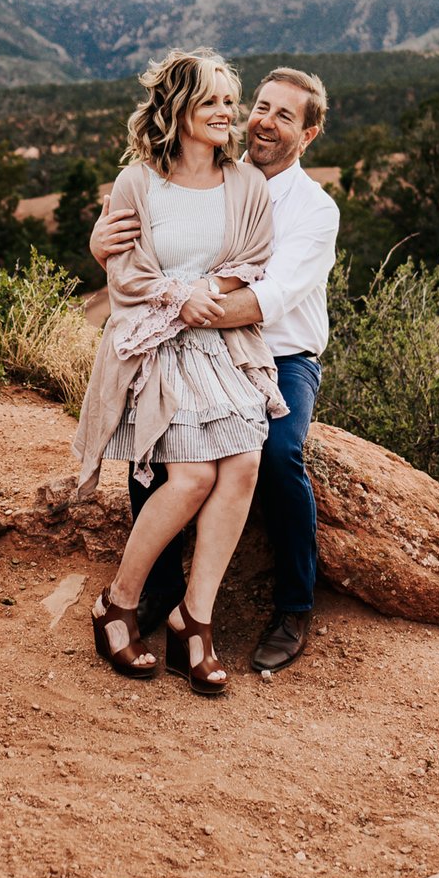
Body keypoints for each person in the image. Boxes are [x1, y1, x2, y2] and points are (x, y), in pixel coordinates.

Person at [93, 67, 337, 673]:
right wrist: (105, 250)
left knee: (274, 452)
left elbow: (263, 297)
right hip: (193, 338)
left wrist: (181, 304)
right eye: (260, 106)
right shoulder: (191, 178)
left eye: (285, 115)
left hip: (278, 352)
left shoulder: (311, 208)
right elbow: (137, 255)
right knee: (166, 449)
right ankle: (153, 593)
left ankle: (292, 604)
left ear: (308, 135)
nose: (261, 120)